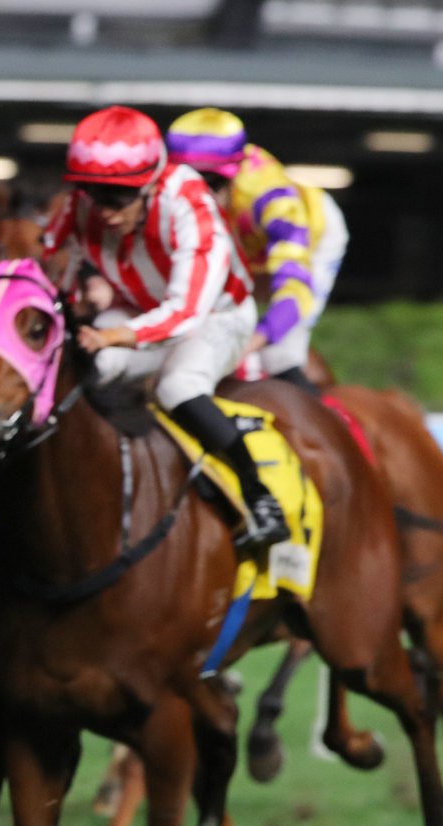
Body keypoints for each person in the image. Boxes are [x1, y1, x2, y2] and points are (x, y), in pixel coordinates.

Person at [44, 105, 287, 551]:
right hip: (135, 309)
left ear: (153, 182)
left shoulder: (190, 204)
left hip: (216, 317)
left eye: (120, 197)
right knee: (89, 370)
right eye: (94, 193)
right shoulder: (81, 206)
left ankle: (261, 497)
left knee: (177, 386)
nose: (105, 211)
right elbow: (44, 258)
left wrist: (112, 335)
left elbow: (185, 314)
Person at [166, 108, 348, 397]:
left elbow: (294, 289)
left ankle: (330, 421)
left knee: (279, 353)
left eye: (213, 183)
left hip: (311, 238)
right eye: (189, 181)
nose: (201, 195)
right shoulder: (166, 191)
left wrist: (253, 342)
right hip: (243, 242)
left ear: (236, 172)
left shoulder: (273, 198)